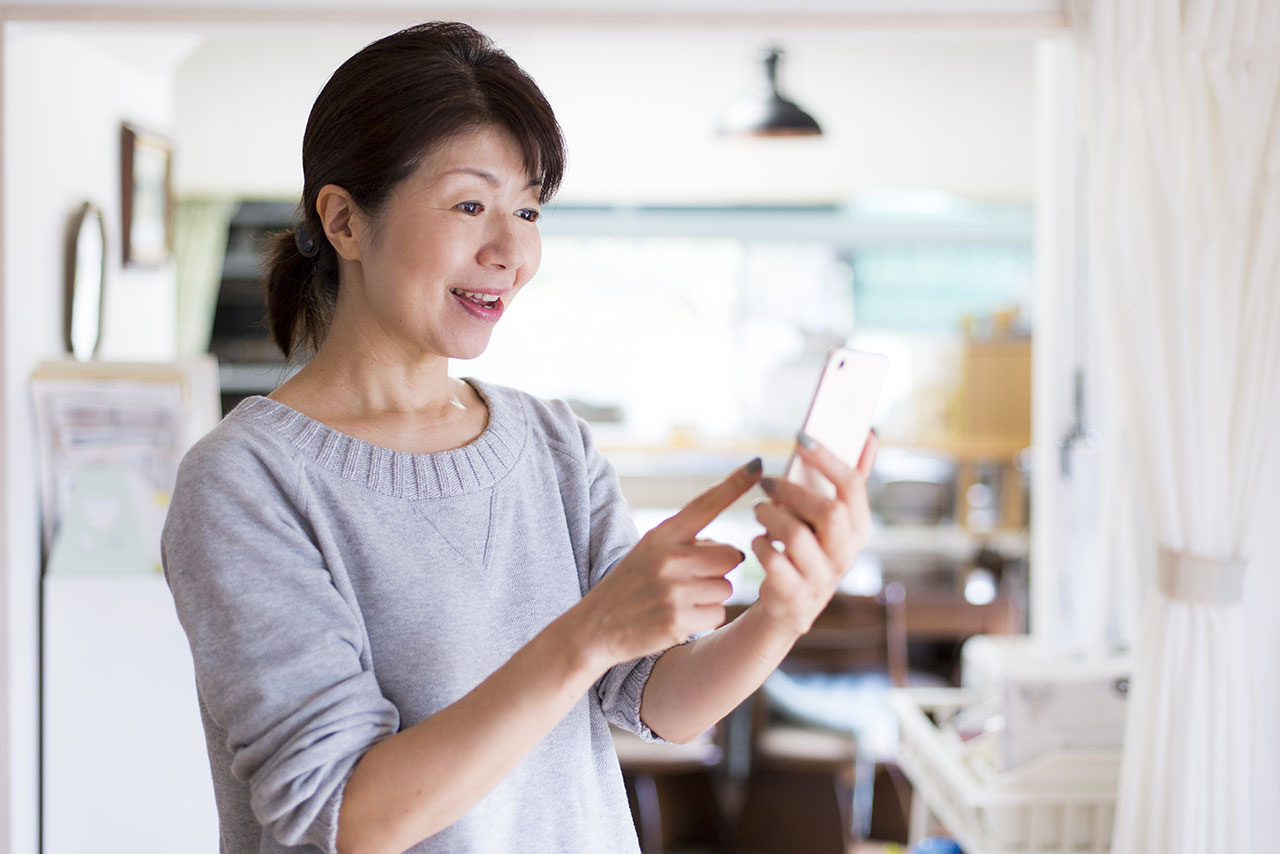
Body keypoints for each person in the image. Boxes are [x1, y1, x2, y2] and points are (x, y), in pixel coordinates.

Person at [161, 21, 878, 854]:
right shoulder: (247, 482)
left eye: (528, 209)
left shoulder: (552, 444)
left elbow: (656, 701)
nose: (511, 250)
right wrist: (589, 632)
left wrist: (785, 612)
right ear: (346, 222)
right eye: (470, 205)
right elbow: (346, 817)